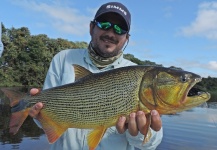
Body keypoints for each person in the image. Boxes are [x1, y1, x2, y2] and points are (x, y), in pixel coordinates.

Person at [29, 2, 163, 150]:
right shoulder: (63, 59)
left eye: (119, 29)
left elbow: (149, 145)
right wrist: (38, 116)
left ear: (126, 38)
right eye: (104, 24)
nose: (111, 33)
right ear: (92, 27)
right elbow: (44, 121)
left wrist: (139, 133)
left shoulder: (137, 75)